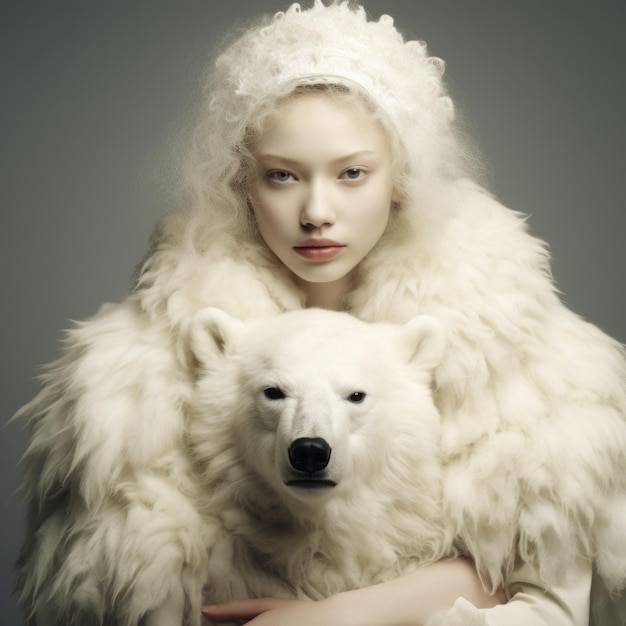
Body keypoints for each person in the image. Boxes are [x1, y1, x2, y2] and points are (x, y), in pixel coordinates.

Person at [14, 2, 625, 625]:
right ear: (241, 183)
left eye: (352, 173)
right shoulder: (125, 389)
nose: (316, 211)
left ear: (401, 177)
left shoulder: (533, 370)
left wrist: (345, 615)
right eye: (282, 175)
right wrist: (461, 583)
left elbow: (555, 606)